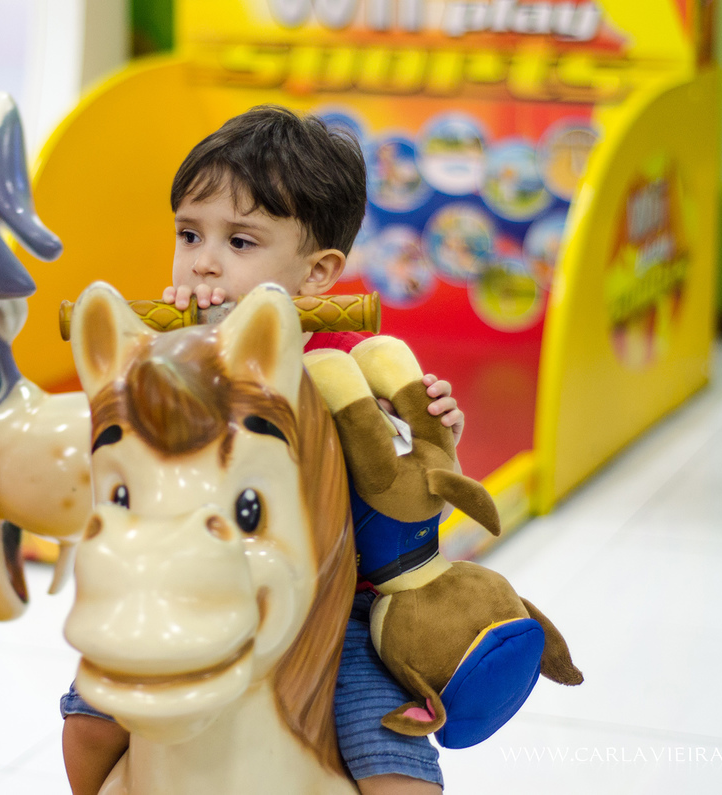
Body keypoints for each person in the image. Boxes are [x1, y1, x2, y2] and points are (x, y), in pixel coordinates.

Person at [60, 106, 465, 795]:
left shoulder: (355, 368)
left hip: (341, 612)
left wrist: (435, 432)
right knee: (90, 719)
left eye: (240, 243)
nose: (204, 261)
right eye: (190, 234)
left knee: (397, 770)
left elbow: (411, 479)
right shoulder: (173, 359)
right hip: (188, 580)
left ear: (317, 273)